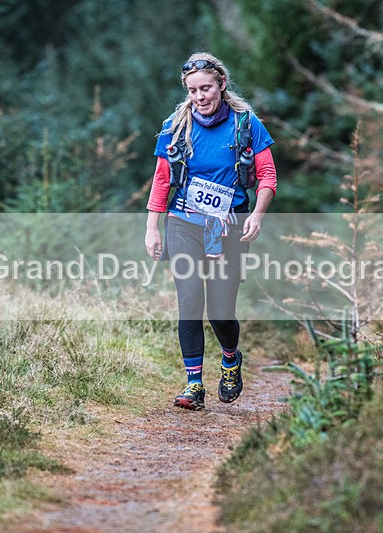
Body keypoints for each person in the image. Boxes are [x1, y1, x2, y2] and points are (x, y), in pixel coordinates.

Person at [144, 52, 277, 411]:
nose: (200, 97)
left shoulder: (246, 124)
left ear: (221, 84)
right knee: (189, 301)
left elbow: (267, 175)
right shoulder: (175, 124)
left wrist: (258, 215)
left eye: (206, 88)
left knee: (220, 310)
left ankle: (231, 360)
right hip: (184, 222)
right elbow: (162, 178)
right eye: (192, 90)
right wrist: (152, 227)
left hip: (228, 226)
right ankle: (193, 385)